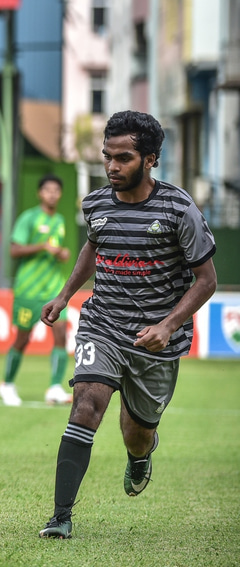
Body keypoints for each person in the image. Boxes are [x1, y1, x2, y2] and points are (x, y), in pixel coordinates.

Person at [38, 110, 217, 539]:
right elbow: (93, 247)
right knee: (86, 405)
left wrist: (168, 325)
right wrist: (65, 295)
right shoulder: (96, 204)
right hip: (103, 324)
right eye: (107, 156)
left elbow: (207, 280)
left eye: (123, 158)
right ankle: (60, 517)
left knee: (136, 433)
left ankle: (140, 456)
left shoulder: (178, 209)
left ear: (150, 159)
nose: (112, 166)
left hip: (155, 341)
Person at [0, 174, 73, 406]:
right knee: (23, 339)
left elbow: (55, 248)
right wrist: (42, 246)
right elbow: (14, 250)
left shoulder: (59, 220)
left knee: (61, 335)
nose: (52, 194)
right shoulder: (29, 218)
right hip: (28, 290)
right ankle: (7, 384)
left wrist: (61, 254)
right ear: (40, 193)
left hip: (53, 289)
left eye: (56, 190)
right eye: (48, 190)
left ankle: (55, 388)